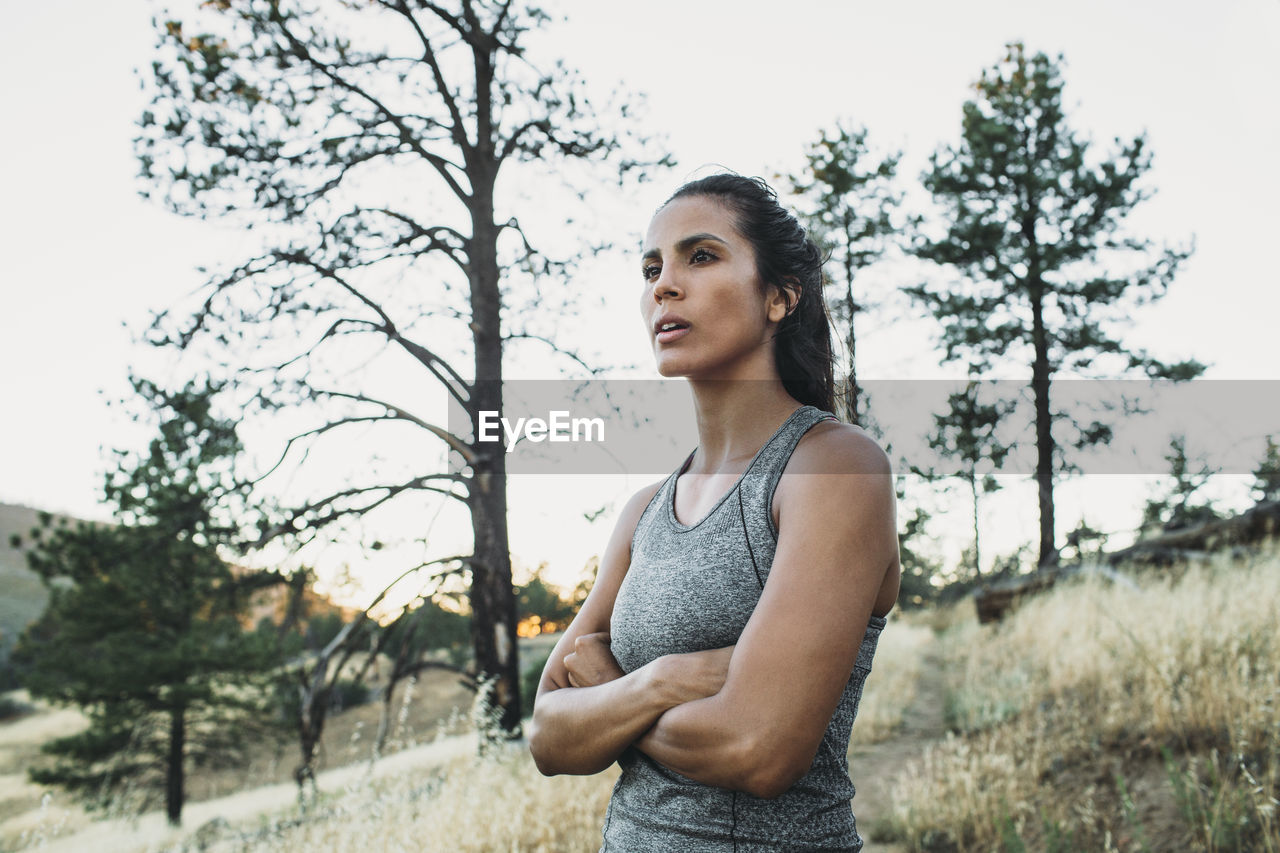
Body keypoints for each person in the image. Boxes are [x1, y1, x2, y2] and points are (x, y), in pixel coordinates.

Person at [527, 172, 901, 852]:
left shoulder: (832, 468)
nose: (664, 284)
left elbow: (759, 748)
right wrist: (661, 682)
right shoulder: (644, 512)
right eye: (652, 267)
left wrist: (610, 696)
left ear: (780, 297)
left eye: (700, 256)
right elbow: (548, 733)